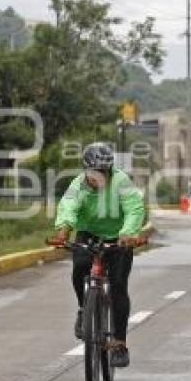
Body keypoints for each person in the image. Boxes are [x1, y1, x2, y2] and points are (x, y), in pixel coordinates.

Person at [53, 142, 145, 368]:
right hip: (89, 233)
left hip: (119, 236)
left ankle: (120, 344)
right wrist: (64, 228)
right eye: (95, 172)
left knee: (118, 287)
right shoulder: (78, 185)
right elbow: (68, 205)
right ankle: (84, 309)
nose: (100, 177)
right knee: (79, 267)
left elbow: (134, 208)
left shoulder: (121, 181)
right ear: (86, 170)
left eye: (104, 172)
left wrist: (129, 233)